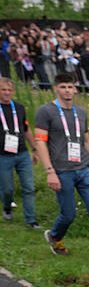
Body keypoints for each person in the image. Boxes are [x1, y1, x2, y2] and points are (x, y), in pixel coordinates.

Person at [34, 72, 89, 266]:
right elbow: (40, 143)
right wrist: (50, 172)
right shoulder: (46, 111)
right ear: (56, 88)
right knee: (69, 214)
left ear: (75, 89)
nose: (67, 91)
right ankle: (55, 236)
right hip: (61, 171)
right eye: (63, 87)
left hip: (83, 169)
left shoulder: (80, 112)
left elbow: (86, 140)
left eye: (70, 87)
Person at [0, 77, 40, 228]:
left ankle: (31, 219)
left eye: (9, 90)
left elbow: (26, 129)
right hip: (3, 155)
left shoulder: (19, 107)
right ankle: (7, 206)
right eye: (3, 90)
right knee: (7, 188)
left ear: (13, 92)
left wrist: (35, 149)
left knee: (29, 187)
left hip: (22, 153)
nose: (7, 93)